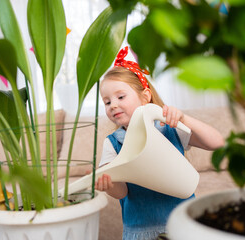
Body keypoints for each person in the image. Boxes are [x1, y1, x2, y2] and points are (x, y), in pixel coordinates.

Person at [96, 46, 225, 240]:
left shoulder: (169, 128)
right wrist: (109, 184)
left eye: (120, 97)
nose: (113, 105)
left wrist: (184, 119)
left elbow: (217, 143)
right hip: (140, 231)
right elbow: (122, 192)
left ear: (145, 97)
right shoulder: (112, 144)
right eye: (107, 102)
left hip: (182, 227)